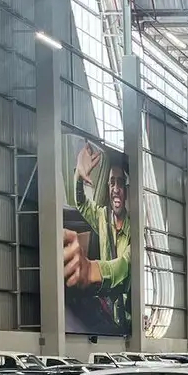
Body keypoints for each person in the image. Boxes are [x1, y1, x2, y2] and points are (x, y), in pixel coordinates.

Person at [62, 142, 131, 332]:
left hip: (126, 319)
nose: (115, 188)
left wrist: (90, 269)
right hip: (105, 310)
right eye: (112, 183)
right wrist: (79, 177)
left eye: (120, 183)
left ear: (127, 190)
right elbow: (82, 203)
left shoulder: (135, 230)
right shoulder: (102, 216)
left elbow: (123, 266)